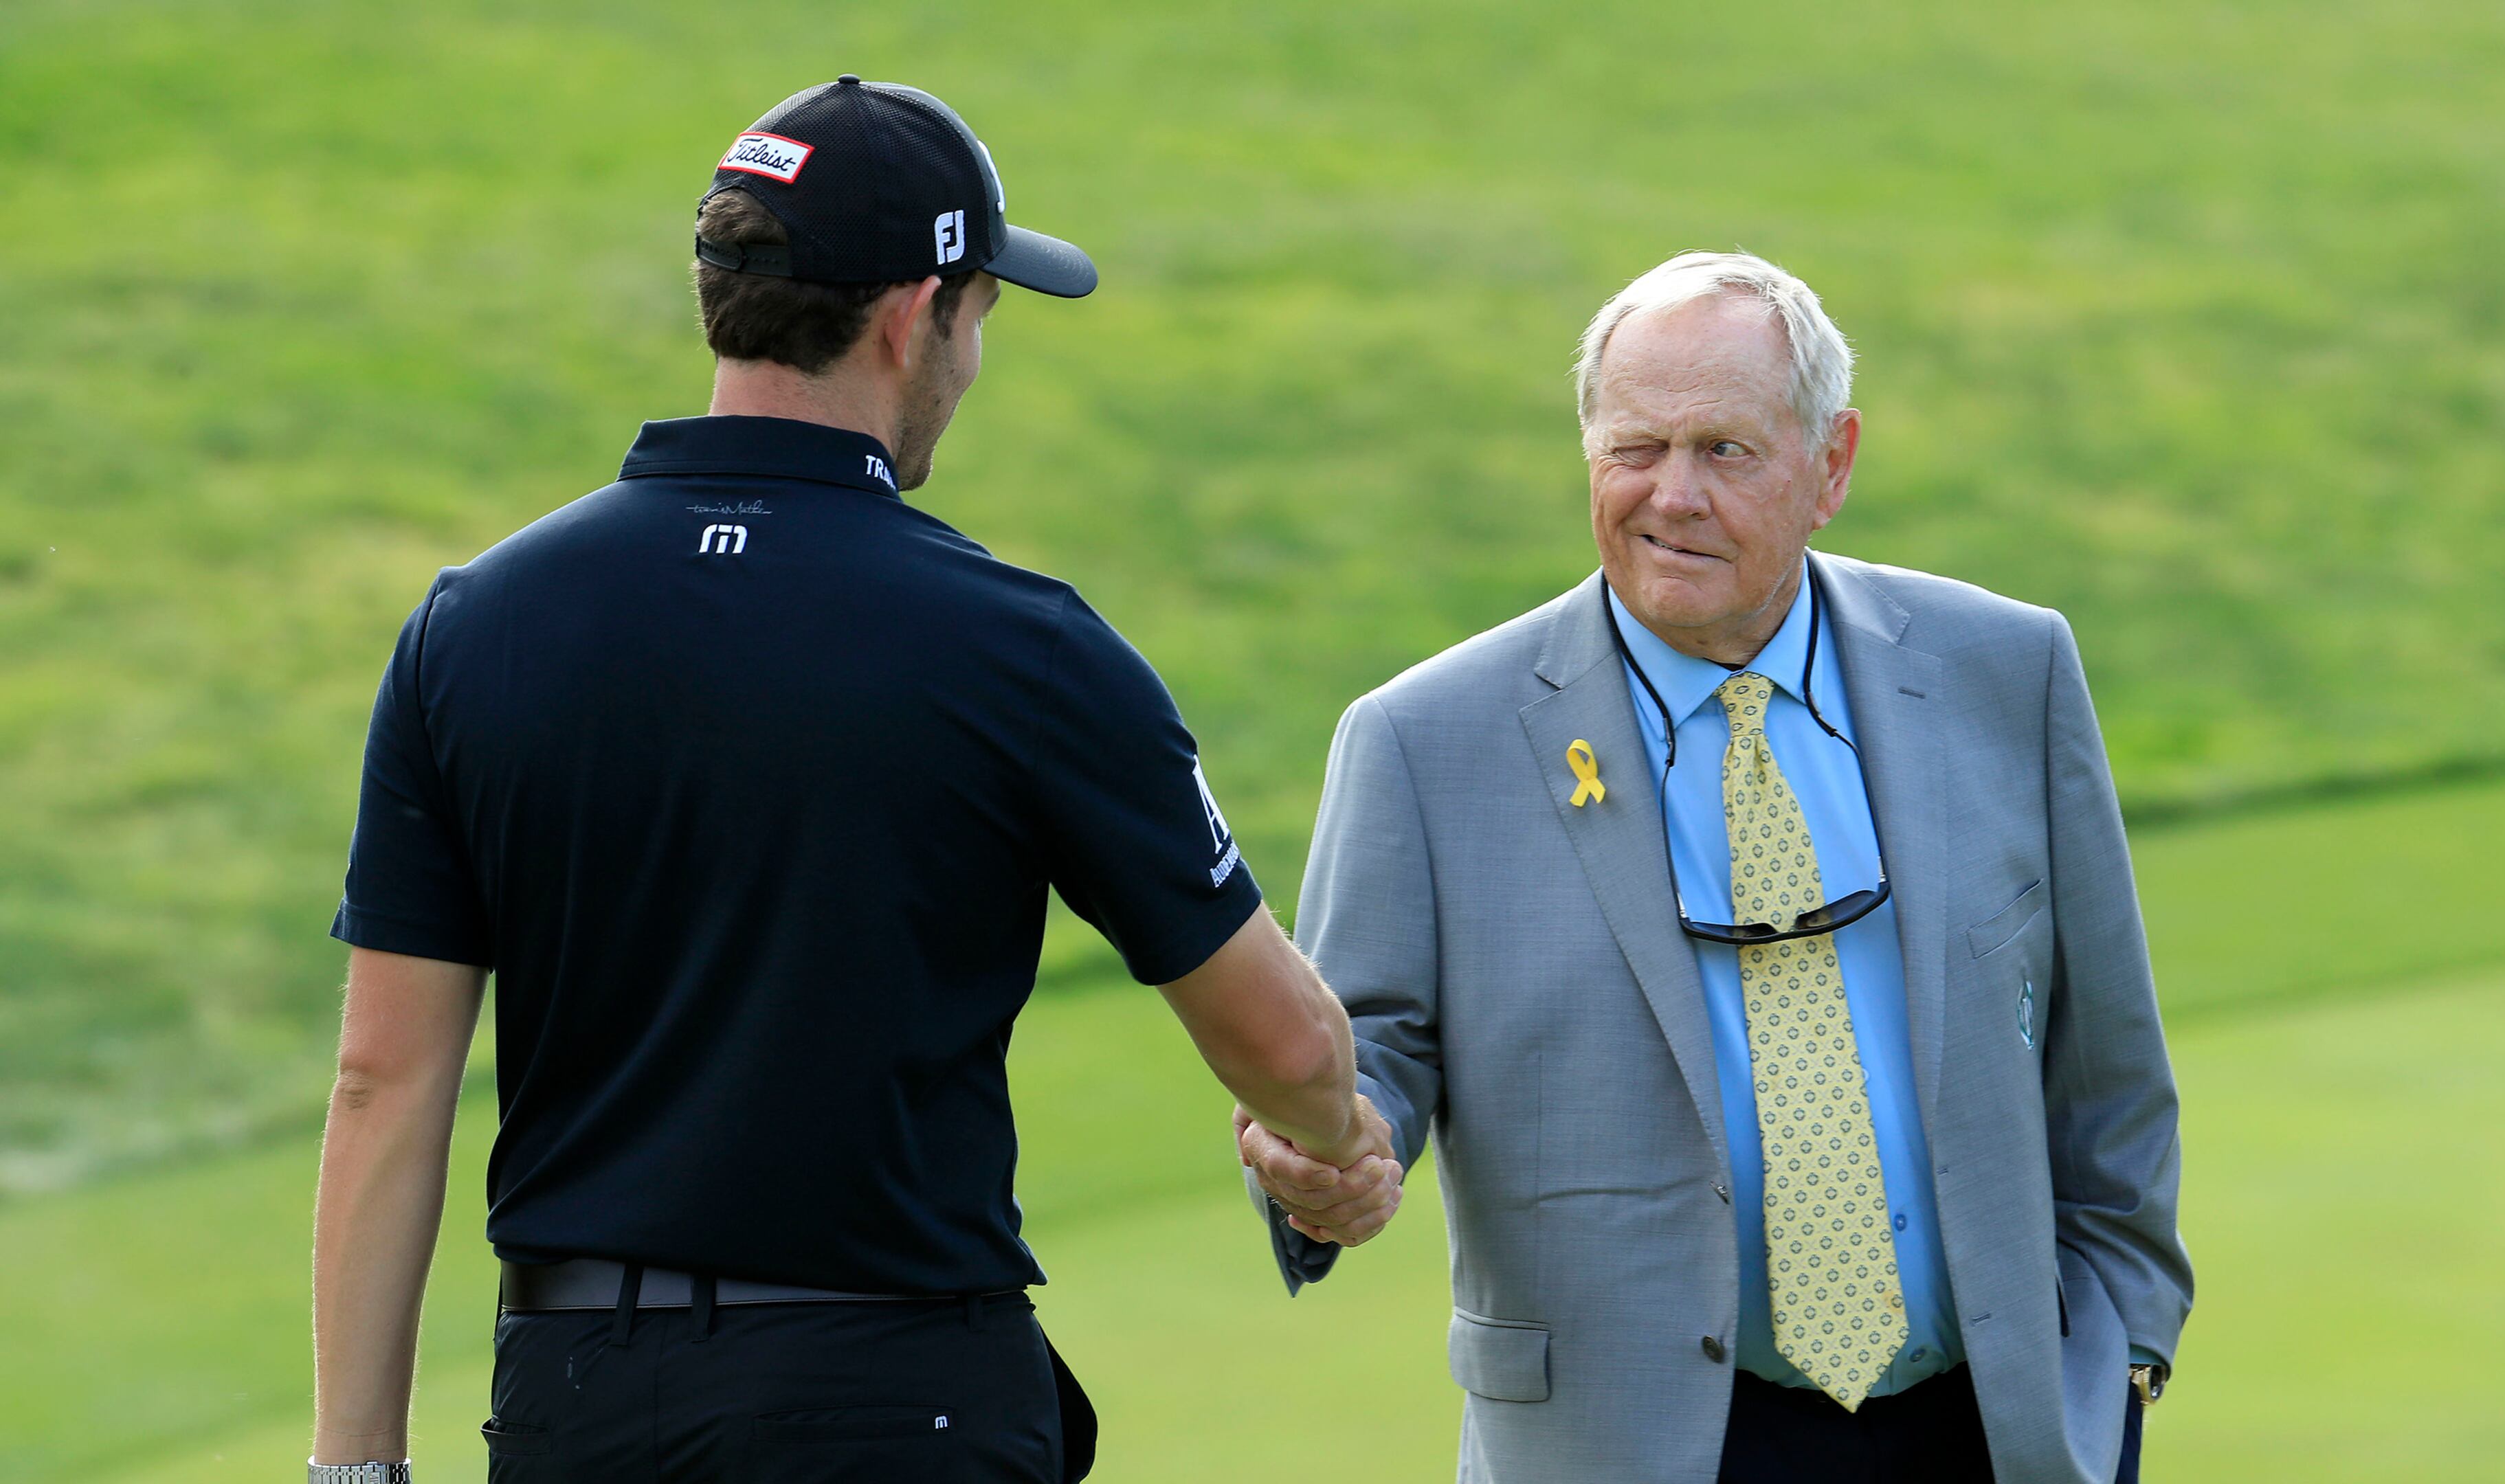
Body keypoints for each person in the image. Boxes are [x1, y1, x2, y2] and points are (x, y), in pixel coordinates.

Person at [307, 77, 1395, 1484]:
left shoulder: (476, 627)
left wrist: (353, 1468)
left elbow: (382, 1081)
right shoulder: (1023, 648)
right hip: (901, 1408)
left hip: (576, 1409)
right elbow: (1287, 1045)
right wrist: (1337, 1149)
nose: (974, 358)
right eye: (981, 317)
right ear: (912, 313)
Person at [1238, 251, 2192, 1483]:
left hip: (1992, 1433)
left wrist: (2123, 1363)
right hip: (1631, 1446)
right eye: (1635, 448)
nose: (1671, 496)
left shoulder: (2006, 672)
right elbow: (1363, 1060)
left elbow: (2108, 1066)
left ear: (1832, 464)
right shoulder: (1427, 744)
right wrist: (1326, 1157)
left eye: (1725, 451)